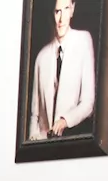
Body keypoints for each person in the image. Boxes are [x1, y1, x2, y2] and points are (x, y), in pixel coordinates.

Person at [28, 0, 95, 140]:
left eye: (66, 9)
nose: (61, 18)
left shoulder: (83, 41)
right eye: (57, 11)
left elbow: (88, 102)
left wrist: (65, 120)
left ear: (73, 9)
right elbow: (35, 113)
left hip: (72, 140)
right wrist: (33, 139)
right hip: (43, 147)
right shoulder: (41, 57)